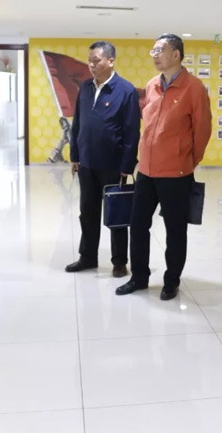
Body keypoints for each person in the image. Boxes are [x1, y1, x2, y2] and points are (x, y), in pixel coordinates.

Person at [115, 34, 212, 301]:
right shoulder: (152, 85)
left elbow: (202, 131)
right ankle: (139, 277)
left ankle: (172, 281)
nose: (155, 55)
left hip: (176, 174)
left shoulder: (194, 88)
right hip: (146, 171)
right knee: (138, 226)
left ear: (176, 54)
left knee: (175, 230)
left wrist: (187, 161)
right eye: (153, 50)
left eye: (160, 50)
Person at [65, 41, 140, 278]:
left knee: (116, 214)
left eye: (96, 61)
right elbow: (78, 123)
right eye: (89, 61)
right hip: (86, 163)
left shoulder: (125, 90)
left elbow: (132, 132)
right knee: (87, 212)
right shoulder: (85, 87)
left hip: (113, 165)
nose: (91, 65)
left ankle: (119, 262)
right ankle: (87, 257)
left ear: (111, 61)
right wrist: (75, 155)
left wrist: (127, 165)